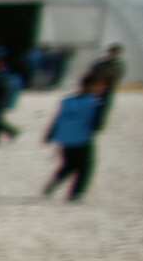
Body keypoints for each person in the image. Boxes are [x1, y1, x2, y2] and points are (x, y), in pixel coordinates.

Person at [45, 71, 113, 201]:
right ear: (92, 86)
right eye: (101, 86)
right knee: (86, 168)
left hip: (65, 140)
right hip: (82, 140)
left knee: (69, 165)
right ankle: (76, 194)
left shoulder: (67, 101)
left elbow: (58, 119)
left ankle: (53, 183)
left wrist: (50, 134)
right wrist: (103, 107)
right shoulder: (94, 103)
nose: (103, 89)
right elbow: (97, 126)